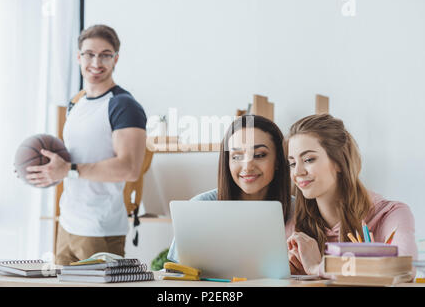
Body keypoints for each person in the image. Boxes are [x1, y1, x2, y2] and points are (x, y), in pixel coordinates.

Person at [25, 25, 147, 265]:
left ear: (116, 59)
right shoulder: (76, 102)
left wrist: (70, 169)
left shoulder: (124, 105)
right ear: (79, 56)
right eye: (89, 54)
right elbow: (72, 157)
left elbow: (130, 168)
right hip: (67, 224)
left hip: (100, 228)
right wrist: (46, 170)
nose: (96, 62)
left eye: (105, 54)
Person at [285, 114, 418, 275]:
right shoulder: (294, 224)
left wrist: (317, 267)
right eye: (292, 163)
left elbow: (403, 270)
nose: (297, 172)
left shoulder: (391, 215)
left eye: (308, 159)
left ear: (339, 162)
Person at [167, 115, 293, 262]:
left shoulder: (298, 211)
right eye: (236, 156)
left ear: (278, 160)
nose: (247, 166)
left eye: (259, 155)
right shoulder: (199, 207)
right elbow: (176, 272)